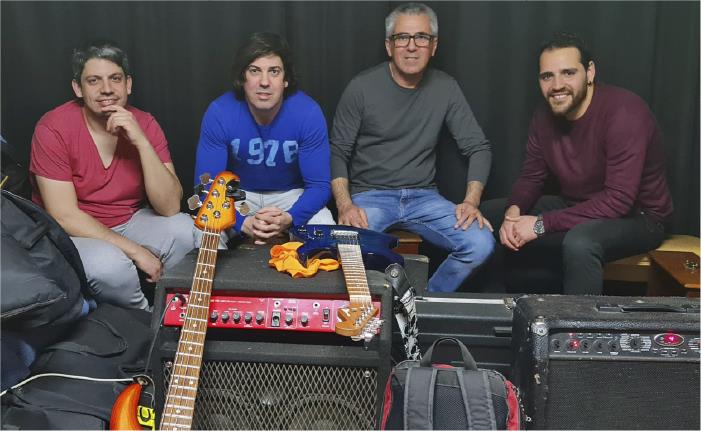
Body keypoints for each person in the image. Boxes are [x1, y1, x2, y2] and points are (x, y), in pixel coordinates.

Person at [482, 32, 673, 295]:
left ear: (589, 72)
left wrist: (540, 225)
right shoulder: (543, 115)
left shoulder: (625, 112)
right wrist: (513, 213)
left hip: (640, 218)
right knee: (487, 216)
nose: (557, 85)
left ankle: (576, 321)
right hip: (577, 203)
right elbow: (532, 177)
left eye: (568, 73)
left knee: (580, 243)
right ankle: (496, 307)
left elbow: (618, 200)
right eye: (547, 76)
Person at [330, 2, 495, 293]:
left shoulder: (446, 87)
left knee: (480, 243)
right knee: (348, 249)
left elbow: (478, 148)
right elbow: (338, 152)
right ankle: (381, 313)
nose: (411, 46)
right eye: (402, 37)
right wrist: (345, 204)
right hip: (371, 196)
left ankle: (421, 304)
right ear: (389, 45)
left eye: (421, 37)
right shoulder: (361, 87)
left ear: (433, 46)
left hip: (424, 197)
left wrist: (471, 202)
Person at [29, 41, 196, 310]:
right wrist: (136, 251)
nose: (106, 89)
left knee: (187, 230)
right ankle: (144, 321)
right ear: (78, 89)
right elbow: (64, 215)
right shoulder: (53, 128)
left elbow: (169, 207)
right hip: (75, 233)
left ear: (128, 84)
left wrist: (141, 142)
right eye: (94, 80)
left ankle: (175, 312)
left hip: (128, 220)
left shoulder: (145, 123)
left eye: (115, 79)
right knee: (111, 266)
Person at [194, 32, 334, 245]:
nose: (265, 82)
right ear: (242, 78)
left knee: (324, 224)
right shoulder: (220, 112)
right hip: (237, 195)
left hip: (290, 195)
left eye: (274, 71)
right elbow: (207, 186)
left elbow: (319, 186)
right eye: (255, 71)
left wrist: (290, 218)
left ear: (285, 80)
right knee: (206, 230)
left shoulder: (307, 113)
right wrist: (242, 222)